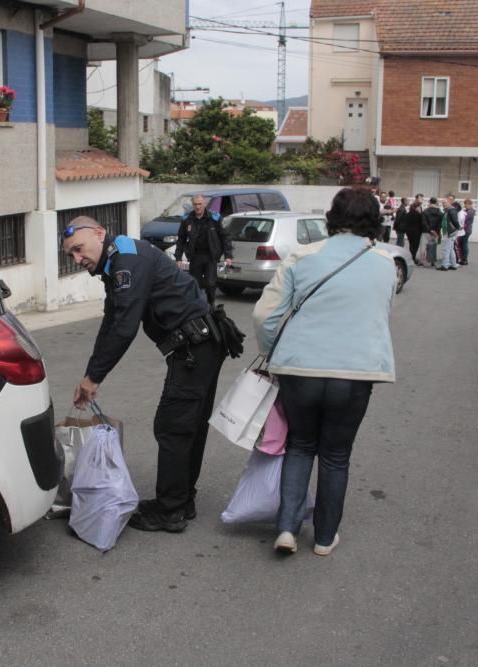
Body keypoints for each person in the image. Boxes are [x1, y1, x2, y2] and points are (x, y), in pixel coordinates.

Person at [63, 216, 232, 533]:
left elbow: (125, 328)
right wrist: (90, 376)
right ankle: (182, 500)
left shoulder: (126, 262)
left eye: (78, 248)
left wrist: (94, 378)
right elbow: (110, 324)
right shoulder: (118, 259)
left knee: (173, 426)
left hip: (196, 347)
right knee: (187, 425)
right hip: (202, 343)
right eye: (70, 254)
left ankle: (169, 510)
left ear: (99, 233)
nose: (76, 259)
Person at [253, 188, 396, 556]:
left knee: (299, 447)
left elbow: (264, 315)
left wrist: (272, 351)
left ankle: (286, 528)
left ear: (332, 217)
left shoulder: (302, 256)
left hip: (299, 368)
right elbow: (380, 314)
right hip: (356, 373)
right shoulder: (385, 263)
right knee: (336, 455)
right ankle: (324, 537)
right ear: (373, 221)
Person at [174, 195, 233, 306]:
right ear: (193, 205)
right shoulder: (187, 219)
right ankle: (197, 307)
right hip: (195, 256)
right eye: (195, 204)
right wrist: (178, 258)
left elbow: (225, 237)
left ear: (205, 204)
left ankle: (210, 306)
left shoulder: (215, 218)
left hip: (211, 256)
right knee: (195, 285)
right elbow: (181, 239)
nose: (198, 207)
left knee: (210, 284)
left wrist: (228, 256)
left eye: (200, 204)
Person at [438, 199, 461, 271]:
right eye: (442, 203)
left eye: (445, 203)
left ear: (449, 203)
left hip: (449, 232)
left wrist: (457, 228)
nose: (443, 204)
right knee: (450, 249)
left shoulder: (451, 210)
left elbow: (455, 221)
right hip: (449, 232)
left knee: (446, 249)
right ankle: (453, 265)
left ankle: (445, 266)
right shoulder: (449, 210)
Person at [421, 197, 444, 267]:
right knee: (433, 247)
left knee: (423, 247)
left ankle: (422, 261)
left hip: (426, 231)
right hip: (436, 232)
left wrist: (429, 230)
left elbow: (423, 222)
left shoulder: (425, 211)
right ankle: (432, 261)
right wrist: (436, 231)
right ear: (436, 202)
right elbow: (440, 223)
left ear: (429, 202)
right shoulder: (440, 213)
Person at [403, 200, 425, 265]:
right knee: (415, 245)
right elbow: (422, 223)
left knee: (411, 244)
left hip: (409, 231)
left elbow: (405, 223)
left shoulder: (408, 214)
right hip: (417, 232)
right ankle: (413, 257)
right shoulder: (419, 215)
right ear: (417, 207)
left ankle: (411, 257)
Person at [459, 199, 475, 265]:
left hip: (466, 230)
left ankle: (464, 259)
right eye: (465, 204)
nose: (465, 205)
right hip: (466, 229)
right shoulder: (468, 211)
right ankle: (463, 258)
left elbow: (465, 221)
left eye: (466, 204)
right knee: (463, 244)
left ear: (470, 204)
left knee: (464, 244)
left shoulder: (470, 211)